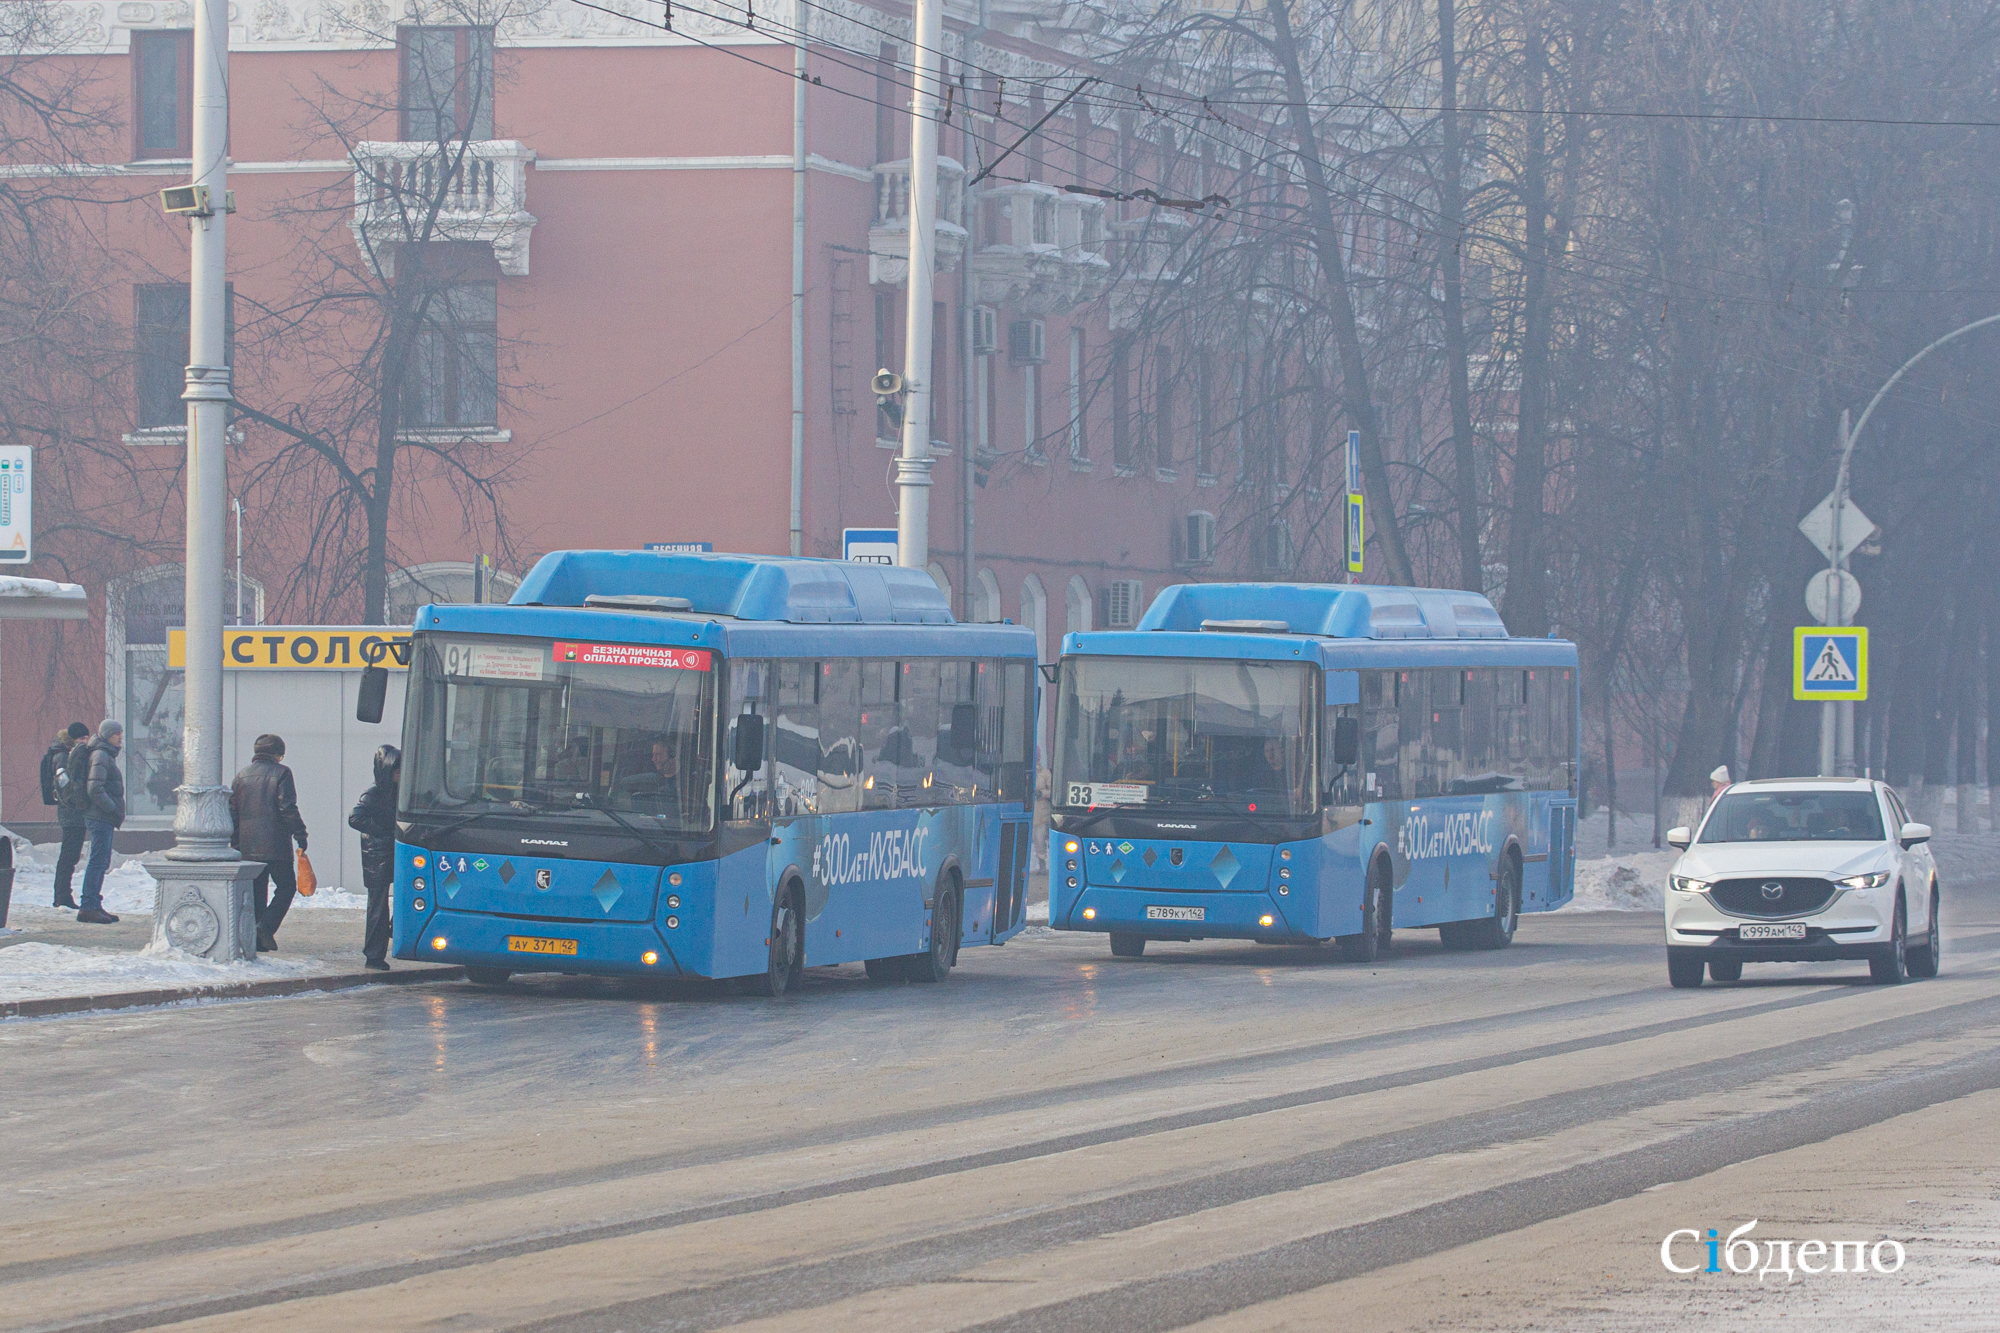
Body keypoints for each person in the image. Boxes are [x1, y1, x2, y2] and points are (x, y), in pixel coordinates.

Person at [231, 733, 309, 952]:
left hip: (248, 847)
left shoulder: (241, 776)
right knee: (286, 887)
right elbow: (287, 807)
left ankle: (257, 940)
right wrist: (300, 833)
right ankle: (265, 928)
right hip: (275, 845)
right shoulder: (282, 773)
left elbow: (232, 812)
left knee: (257, 891)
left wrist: (236, 843)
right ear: (278, 755)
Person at [348, 744, 400, 971]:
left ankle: (392, 931)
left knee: (408, 894)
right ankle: (374, 955)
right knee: (378, 906)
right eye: (396, 770)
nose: (400, 774)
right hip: (377, 855)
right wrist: (381, 830)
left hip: (392, 851)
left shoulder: (398, 791)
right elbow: (355, 818)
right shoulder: (374, 793)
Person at [76, 719, 126, 924]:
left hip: (101, 816)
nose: (120, 738)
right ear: (107, 736)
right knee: (98, 861)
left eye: (121, 734)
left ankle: (93, 904)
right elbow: (95, 788)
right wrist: (111, 808)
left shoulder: (103, 754)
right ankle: (88, 907)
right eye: (117, 734)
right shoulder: (101, 755)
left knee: (101, 860)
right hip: (100, 816)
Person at [44, 722, 90, 909]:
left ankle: (62, 895)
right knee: (68, 856)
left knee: (70, 856)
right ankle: (62, 896)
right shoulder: (63, 757)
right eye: (81, 738)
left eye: (86, 738)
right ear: (72, 740)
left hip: (73, 812)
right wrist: (75, 802)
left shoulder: (67, 754)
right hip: (70, 813)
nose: (85, 742)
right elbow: (64, 785)